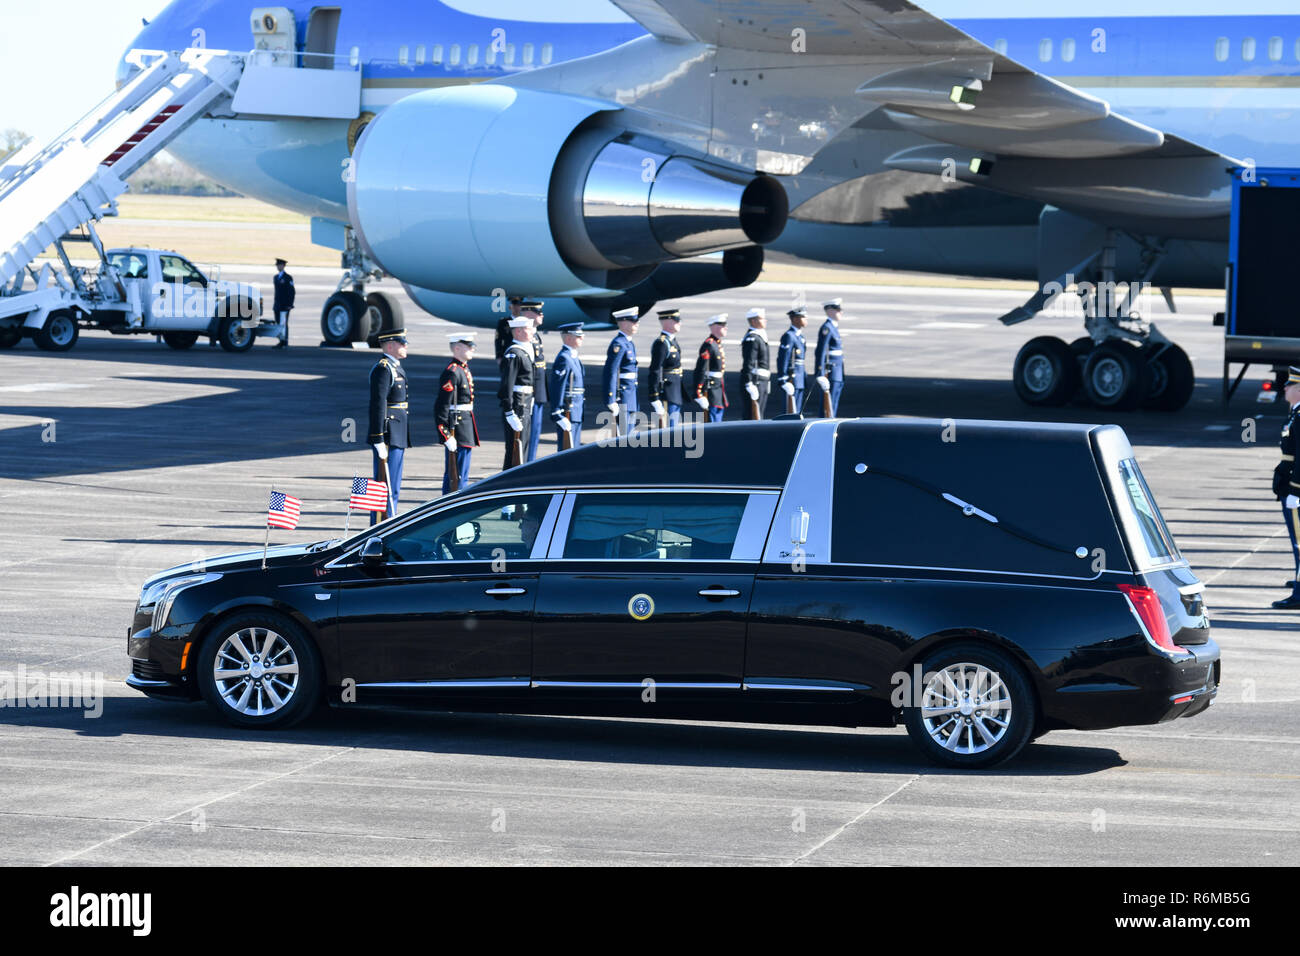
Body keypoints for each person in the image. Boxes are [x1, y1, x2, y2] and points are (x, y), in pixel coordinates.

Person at [367, 327, 411, 524]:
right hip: (388, 435)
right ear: (391, 345)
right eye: (402, 343)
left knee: (393, 486)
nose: (405, 346)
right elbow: (378, 404)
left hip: (398, 433)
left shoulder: (394, 367)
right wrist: (378, 438)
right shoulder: (383, 369)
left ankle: (389, 523)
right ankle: (379, 527)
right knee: (384, 486)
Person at [434, 332, 479, 494]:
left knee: (462, 474)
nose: (473, 349)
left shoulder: (462, 369)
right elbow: (442, 406)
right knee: (455, 476)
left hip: (465, 425)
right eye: (469, 346)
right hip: (458, 427)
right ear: (457, 348)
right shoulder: (452, 372)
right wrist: (446, 435)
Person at [1274, 366, 1300, 608]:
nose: (1285, 388)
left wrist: (1295, 491)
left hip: (1296, 488)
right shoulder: (1295, 413)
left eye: (1290, 385)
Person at [498, 316, 534, 469]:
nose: (532, 331)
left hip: (524, 403)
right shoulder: (514, 353)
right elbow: (507, 386)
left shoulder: (524, 351)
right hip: (517, 405)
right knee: (515, 449)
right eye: (528, 328)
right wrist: (509, 412)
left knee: (522, 447)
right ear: (518, 331)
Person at [603, 307, 640, 433]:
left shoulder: (629, 343)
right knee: (623, 437)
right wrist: (611, 399)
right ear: (623, 323)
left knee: (629, 435)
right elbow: (611, 372)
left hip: (630, 395)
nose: (637, 324)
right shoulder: (619, 344)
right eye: (633, 321)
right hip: (623, 396)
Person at [549, 322, 586, 448]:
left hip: (576, 410)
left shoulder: (573, 357)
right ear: (569, 338)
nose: (582, 338)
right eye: (578, 336)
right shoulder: (564, 358)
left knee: (574, 448)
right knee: (567, 448)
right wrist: (557, 413)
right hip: (568, 410)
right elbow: (557, 387)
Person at [647, 308, 684, 428]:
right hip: (666, 392)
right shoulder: (662, 343)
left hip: (674, 390)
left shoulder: (672, 341)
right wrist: (654, 396)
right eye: (676, 320)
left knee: (674, 429)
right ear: (667, 322)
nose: (680, 323)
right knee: (668, 432)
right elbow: (655, 370)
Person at [523, 300, 548, 461]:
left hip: (539, 391)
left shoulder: (535, 335)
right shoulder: (527, 338)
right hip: (532, 392)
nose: (541, 315)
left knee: (535, 433)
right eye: (538, 312)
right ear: (528, 313)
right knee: (529, 435)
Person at [693, 314, 728, 423]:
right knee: (712, 421)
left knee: (718, 418)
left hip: (718, 388)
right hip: (711, 389)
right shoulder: (709, 345)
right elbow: (701, 369)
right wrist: (698, 393)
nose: (725, 328)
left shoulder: (716, 344)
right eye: (722, 325)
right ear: (714, 327)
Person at [775, 307, 809, 415]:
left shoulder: (800, 337)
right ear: (794, 319)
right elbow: (783, 358)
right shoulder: (789, 336)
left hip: (799, 380)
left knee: (797, 412)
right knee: (789, 412)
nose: (806, 319)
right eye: (803, 317)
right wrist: (783, 379)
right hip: (791, 378)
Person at [816, 297, 846, 415]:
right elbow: (821, 351)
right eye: (838, 309)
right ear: (829, 310)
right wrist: (821, 373)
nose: (841, 312)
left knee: (833, 404)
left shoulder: (833, 327)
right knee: (828, 405)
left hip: (837, 371)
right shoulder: (827, 328)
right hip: (832, 371)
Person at [739, 307, 771, 420]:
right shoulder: (752, 338)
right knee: (751, 416)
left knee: (759, 414)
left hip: (761, 380)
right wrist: (748, 383)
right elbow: (749, 362)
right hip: (755, 381)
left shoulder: (760, 336)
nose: (765, 320)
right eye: (762, 318)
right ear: (753, 321)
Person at [271, 257, 294, 349]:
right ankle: (281, 340)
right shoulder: (276, 277)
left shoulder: (288, 278)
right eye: (277, 265)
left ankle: (285, 341)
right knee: (278, 323)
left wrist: (290, 304)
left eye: (280, 265)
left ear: (283, 266)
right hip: (277, 305)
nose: (278, 266)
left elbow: (291, 292)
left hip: (285, 305)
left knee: (283, 323)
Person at [494, 295, 522, 362]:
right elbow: (498, 340)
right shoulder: (503, 322)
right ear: (510, 307)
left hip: (521, 353)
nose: (516, 308)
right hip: (507, 353)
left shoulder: (524, 321)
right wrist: (499, 355)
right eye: (514, 306)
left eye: (518, 306)